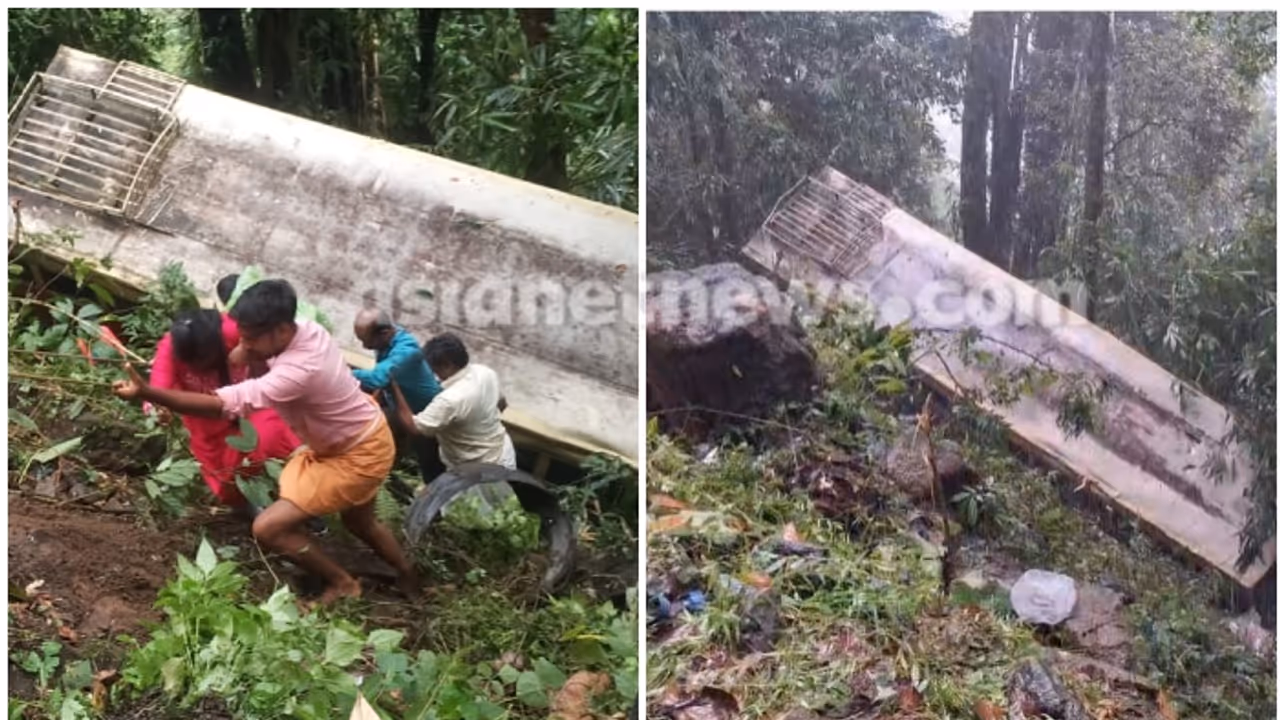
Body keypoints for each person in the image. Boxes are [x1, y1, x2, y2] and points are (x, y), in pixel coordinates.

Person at [114, 279, 419, 605]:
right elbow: (234, 354)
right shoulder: (306, 330)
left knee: (268, 528)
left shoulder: (297, 371)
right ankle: (409, 576)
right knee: (360, 521)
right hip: (363, 433)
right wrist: (246, 346)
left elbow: (223, 404)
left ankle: (343, 583)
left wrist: (149, 393)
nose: (242, 343)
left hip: (356, 454)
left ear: (282, 329)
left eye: (251, 337)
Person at [147, 308, 301, 512]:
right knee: (224, 472)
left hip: (251, 406)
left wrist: (248, 351)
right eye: (189, 362)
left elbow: (278, 348)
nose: (196, 366)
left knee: (273, 440)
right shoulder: (171, 347)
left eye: (201, 359)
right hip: (206, 420)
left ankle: (297, 498)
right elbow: (157, 388)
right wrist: (157, 411)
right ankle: (248, 504)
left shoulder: (234, 332)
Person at [388, 332, 515, 473]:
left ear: (448, 365)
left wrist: (394, 388)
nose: (433, 375)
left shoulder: (450, 400)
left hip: (477, 470)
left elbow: (415, 428)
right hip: (503, 454)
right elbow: (502, 403)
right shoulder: (485, 372)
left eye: (434, 370)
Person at [351, 309, 446, 484]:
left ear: (385, 333)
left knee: (430, 468)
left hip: (424, 416)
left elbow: (378, 377)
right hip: (399, 405)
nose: (365, 347)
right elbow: (384, 377)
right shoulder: (385, 339)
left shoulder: (406, 351)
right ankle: (385, 480)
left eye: (366, 342)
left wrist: (342, 371)